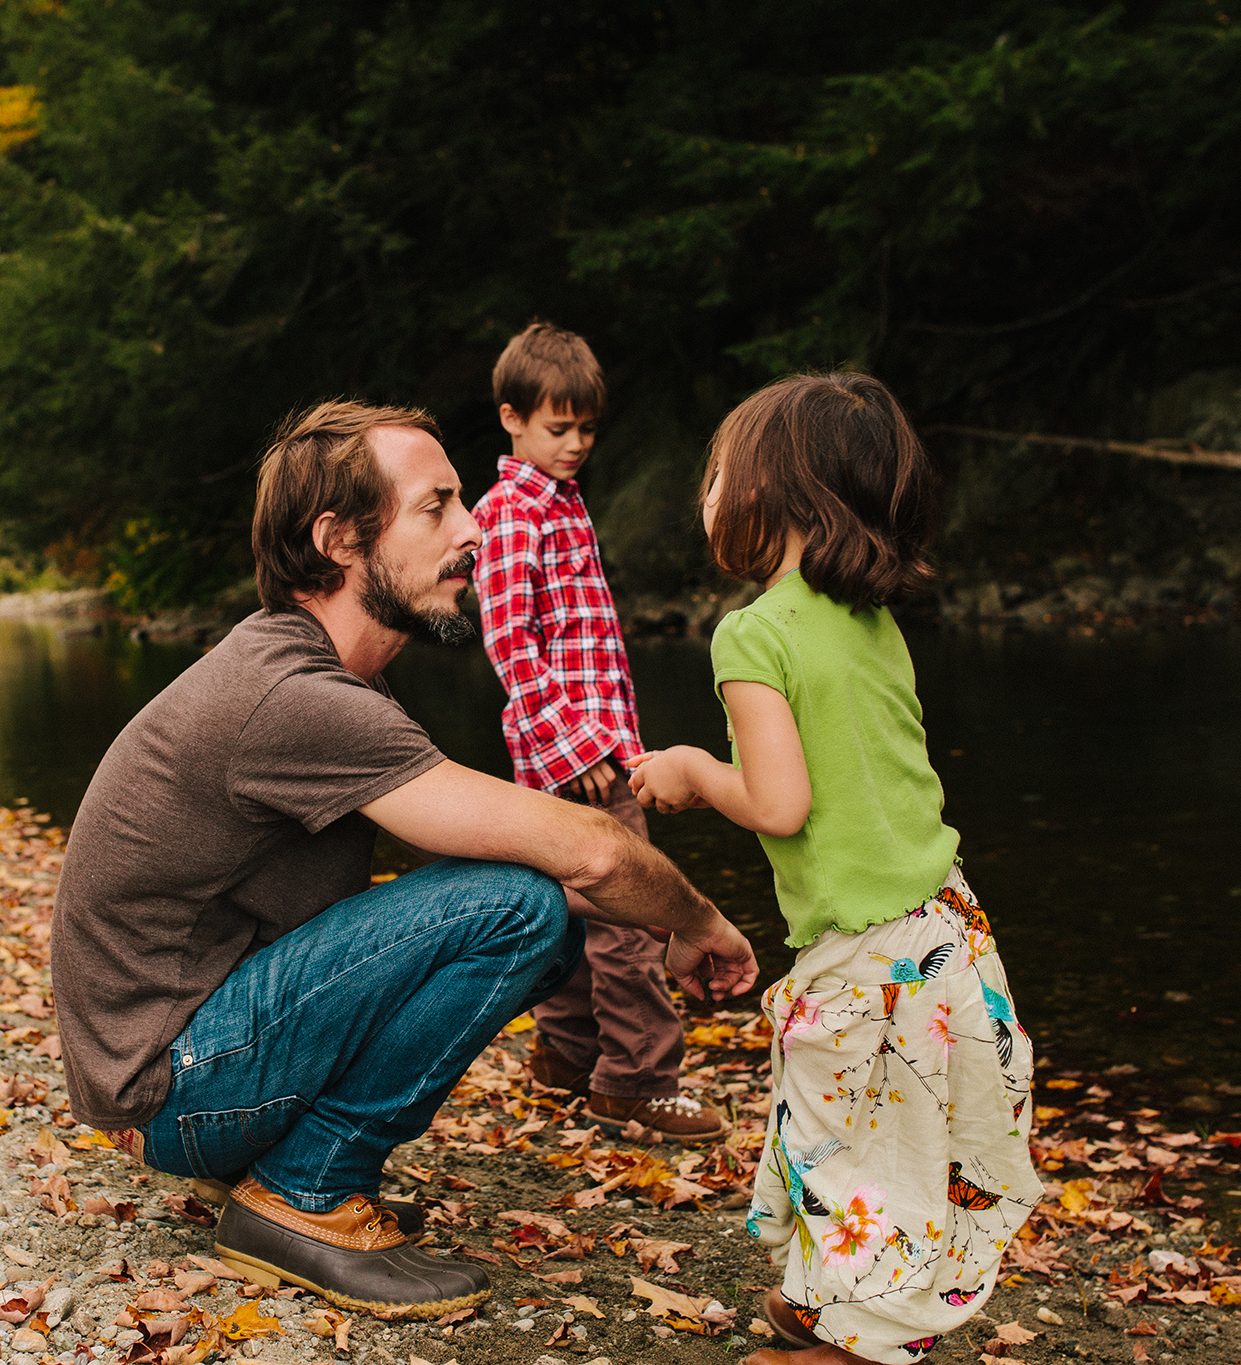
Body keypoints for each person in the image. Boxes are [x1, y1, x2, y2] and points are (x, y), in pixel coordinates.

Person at [49, 399, 759, 1321]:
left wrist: (634, 910)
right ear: (340, 539)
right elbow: (582, 844)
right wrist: (697, 920)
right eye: (439, 507)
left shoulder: (332, 678)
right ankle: (302, 1193)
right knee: (525, 906)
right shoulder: (298, 697)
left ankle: (286, 1169)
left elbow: (516, 865)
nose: (475, 531)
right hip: (174, 1089)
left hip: (180, 1070)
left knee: (537, 909)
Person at [627, 373, 1039, 1365]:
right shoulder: (870, 624)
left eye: (718, 471)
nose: (705, 492)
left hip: (865, 952)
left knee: (846, 1141)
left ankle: (852, 1339)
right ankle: (830, 1298)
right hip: (948, 924)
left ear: (773, 496)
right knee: (893, 1134)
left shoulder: (751, 633)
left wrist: (688, 771)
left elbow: (778, 804)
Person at [470, 322, 726, 1144]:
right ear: (512, 419)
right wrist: (575, 751)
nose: (577, 443)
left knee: (577, 911)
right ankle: (638, 1080)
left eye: (586, 428)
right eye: (558, 428)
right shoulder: (510, 513)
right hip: (571, 758)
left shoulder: (561, 503)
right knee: (631, 918)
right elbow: (512, 644)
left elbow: (583, 641)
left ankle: (568, 1053)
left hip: (601, 745)